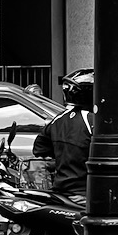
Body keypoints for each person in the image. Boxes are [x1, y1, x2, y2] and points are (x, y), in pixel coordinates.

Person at [34, 69, 94, 200]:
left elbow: (39, 148)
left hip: (61, 192)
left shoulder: (59, 118)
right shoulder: (94, 121)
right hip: (85, 195)